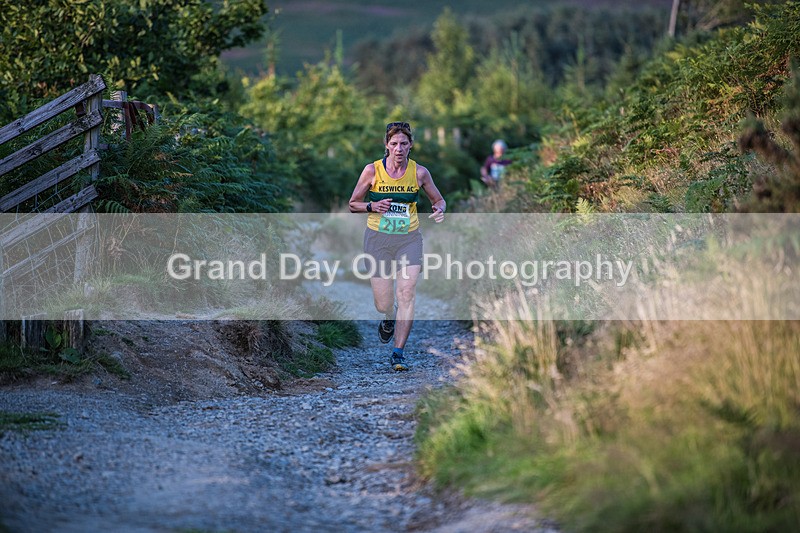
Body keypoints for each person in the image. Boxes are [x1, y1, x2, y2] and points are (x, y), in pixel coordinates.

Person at [348, 122, 446, 371]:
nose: (399, 148)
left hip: (408, 239)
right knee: (383, 302)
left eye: (404, 143)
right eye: (394, 144)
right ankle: (387, 317)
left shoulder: (420, 173)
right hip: (378, 239)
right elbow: (353, 203)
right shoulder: (372, 171)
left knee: (407, 292)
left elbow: (439, 199)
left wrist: (439, 209)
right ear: (387, 146)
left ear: (411, 145)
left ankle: (398, 353)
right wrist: (372, 206)